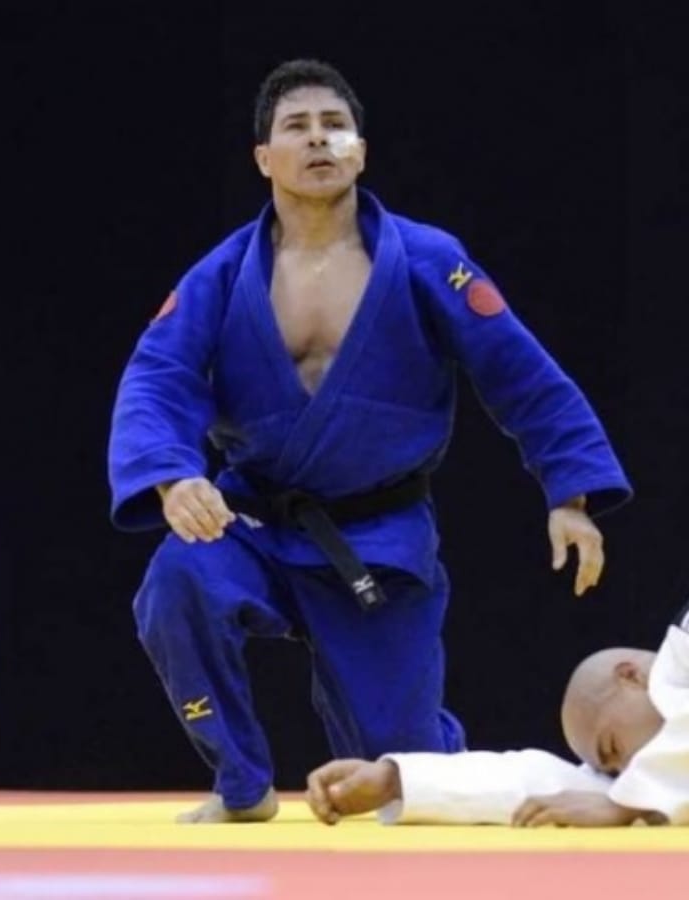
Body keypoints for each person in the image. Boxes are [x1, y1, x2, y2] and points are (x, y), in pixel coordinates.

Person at [106, 58, 631, 823]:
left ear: (362, 151)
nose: (318, 140)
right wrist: (172, 476)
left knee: (403, 775)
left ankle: (449, 766)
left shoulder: (428, 261)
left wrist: (571, 493)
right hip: (252, 523)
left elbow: (520, 372)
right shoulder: (222, 275)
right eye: (297, 128)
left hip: (374, 538)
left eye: (335, 126)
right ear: (264, 159)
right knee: (178, 580)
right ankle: (242, 783)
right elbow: (157, 376)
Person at [305, 604, 689, 827]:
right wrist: (398, 779)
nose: (627, 769)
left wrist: (624, 804)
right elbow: (542, 785)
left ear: (631, 676)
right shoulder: (649, 781)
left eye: (612, 746)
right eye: (615, 771)